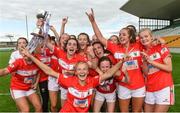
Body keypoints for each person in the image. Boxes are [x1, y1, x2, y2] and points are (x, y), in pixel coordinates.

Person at [21, 47, 126, 112]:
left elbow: (108, 73)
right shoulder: (69, 80)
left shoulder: (92, 81)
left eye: (84, 69)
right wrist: (31, 56)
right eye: (79, 69)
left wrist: (122, 61)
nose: (82, 71)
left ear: (88, 72)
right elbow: (49, 71)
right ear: (75, 72)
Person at [86, 9, 145, 112]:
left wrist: (160, 41)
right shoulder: (115, 48)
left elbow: (149, 40)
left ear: (130, 36)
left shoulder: (138, 45)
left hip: (138, 85)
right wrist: (93, 22)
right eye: (120, 34)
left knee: (137, 111)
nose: (121, 36)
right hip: (123, 86)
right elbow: (100, 37)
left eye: (124, 34)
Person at [139, 28, 174, 112]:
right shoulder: (143, 52)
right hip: (150, 88)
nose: (143, 39)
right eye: (141, 37)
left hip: (164, 87)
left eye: (146, 36)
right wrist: (144, 61)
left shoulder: (161, 46)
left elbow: (169, 68)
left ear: (152, 37)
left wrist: (151, 61)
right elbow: (147, 73)